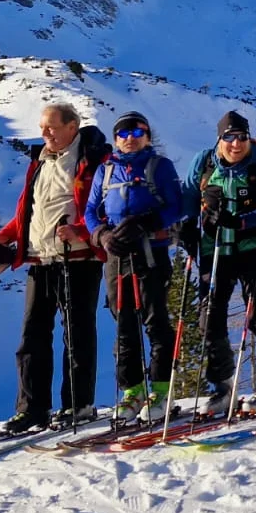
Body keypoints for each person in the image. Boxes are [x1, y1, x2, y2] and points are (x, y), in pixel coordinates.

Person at [0, 101, 109, 434]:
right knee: (32, 336)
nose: (44, 132)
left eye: (51, 126)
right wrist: (3, 236)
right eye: (42, 127)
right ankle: (32, 409)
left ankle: (78, 404)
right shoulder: (40, 162)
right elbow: (29, 213)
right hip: (40, 259)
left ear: (72, 127)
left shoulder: (93, 161)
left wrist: (81, 231)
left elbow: (106, 208)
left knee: (76, 335)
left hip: (78, 259)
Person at [83, 111, 185, 424]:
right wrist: (102, 235)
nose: (130, 138)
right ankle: (132, 391)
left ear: (147, 136)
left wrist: (146, 223)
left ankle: (161, 389)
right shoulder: (106, 170)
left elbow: (177, 206)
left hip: (150, 252)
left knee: (156, 320)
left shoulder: (159, 166)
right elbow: (90, 211)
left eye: (138, 132)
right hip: (117, 254)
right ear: (115, 139)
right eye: (124, 133)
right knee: (123, 323)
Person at [181, 111, 256, 417]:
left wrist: (240, 222)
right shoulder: (205, 162)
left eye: (242, 137)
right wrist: (187, 226)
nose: (236, 144)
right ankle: (223, 386)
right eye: (229, 137)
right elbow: (188, 196)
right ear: (219, 138)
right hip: (214, 249)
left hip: (253, 247)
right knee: (209, 316)